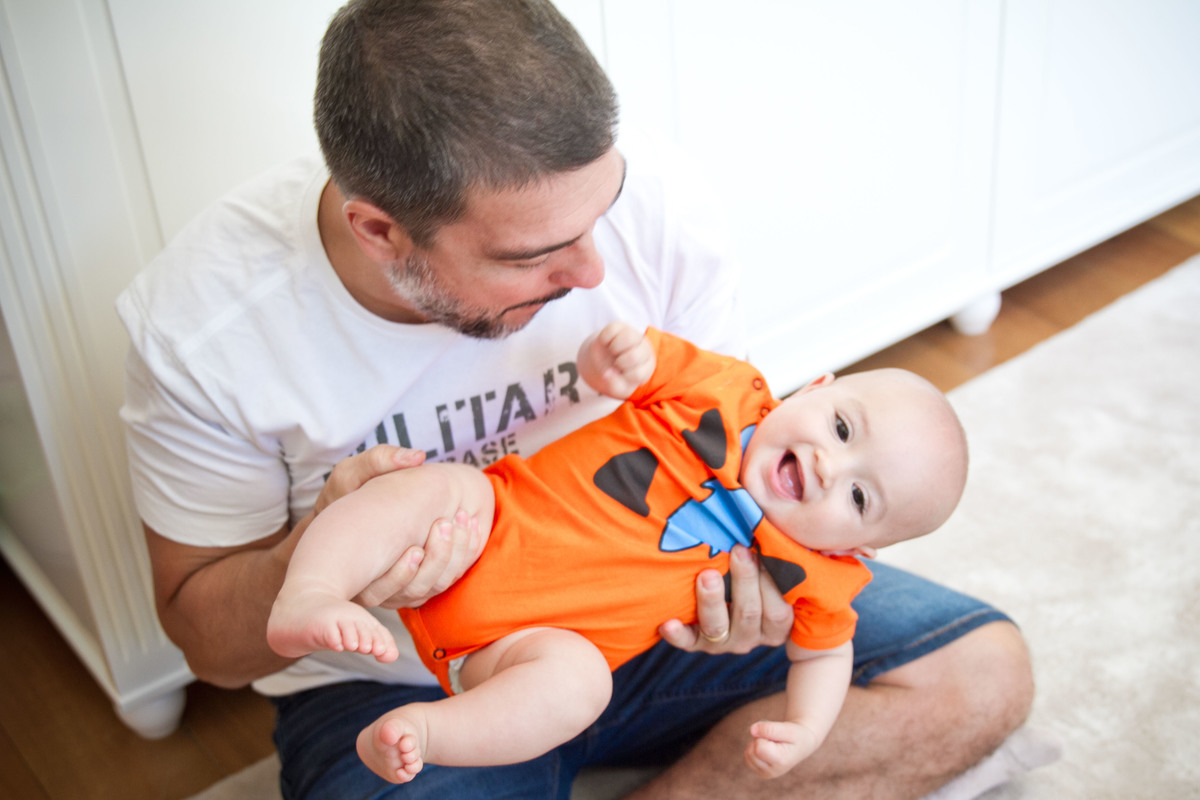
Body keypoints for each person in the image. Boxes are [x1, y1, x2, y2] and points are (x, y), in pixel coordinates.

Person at [117, 0, 1036, 798]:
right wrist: (320, 558)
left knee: (982, 677)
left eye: (601, 216)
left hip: (636, 633)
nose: (595, 268)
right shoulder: (202, 330)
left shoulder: (661, 199)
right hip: (401, 681)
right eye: (533, 255)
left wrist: (751, 609)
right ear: (382, 232)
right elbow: (208, 644)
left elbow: (751, 454)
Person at [267, 321, 972, 784]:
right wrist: (615, 358)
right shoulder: (723, 388)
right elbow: (636, 363)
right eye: (842, 427)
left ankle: (431, 731)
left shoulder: (819, 574)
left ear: (865, 547)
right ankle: (313, 590)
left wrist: (806, 729)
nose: (827, 467)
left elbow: (824, 654)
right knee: (427, 487)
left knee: (578, 686)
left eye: (858, 499)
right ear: (816, 387)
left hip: (517, 648)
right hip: (488, 523)